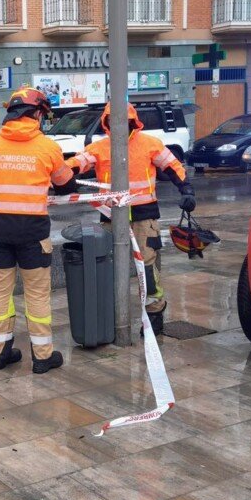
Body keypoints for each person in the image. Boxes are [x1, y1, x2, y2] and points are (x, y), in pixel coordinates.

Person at [0, 87, 77, 373]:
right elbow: (66, 186)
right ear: (37, 113)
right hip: (32, 235)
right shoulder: (47, 148)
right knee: (37, 296)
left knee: (0, 295)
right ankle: (42, 357)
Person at [66, 102, 196, 336]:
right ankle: (112, 317)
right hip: (111, 216)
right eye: (112, 123)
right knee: (108, 267)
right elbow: (76, 164)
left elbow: (173, 167)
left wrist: (187, 190)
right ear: (106, 124)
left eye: (123, 123)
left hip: (143, 216)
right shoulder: (100, 148)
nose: (118, 127)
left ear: (131, 123)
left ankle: (154, 315)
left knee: (146, 267)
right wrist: (59, 174)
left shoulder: (150, 144)